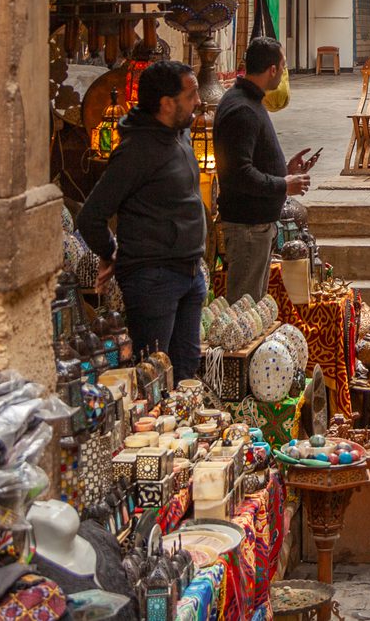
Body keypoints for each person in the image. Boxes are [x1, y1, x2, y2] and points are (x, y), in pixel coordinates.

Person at [74, 59, 208, 380]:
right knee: (154, 377)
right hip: (155, 281)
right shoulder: (136, 151)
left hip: (189, 273)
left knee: (186, 369)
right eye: (191, 95)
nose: (198, 101)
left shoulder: (179, 135)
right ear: (166, 104)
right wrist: (110, 253)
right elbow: (92, 215)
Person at [214, 37, 318, 301]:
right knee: (245, 306)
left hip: (256, 225)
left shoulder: (248, 100)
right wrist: (284, 184)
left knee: (253, 303)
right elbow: (238, 173)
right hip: (247, 226)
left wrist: (284, 170)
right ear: (272, 69)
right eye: (282, 66)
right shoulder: (242, 109)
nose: (283, 72)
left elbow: (248, 162)